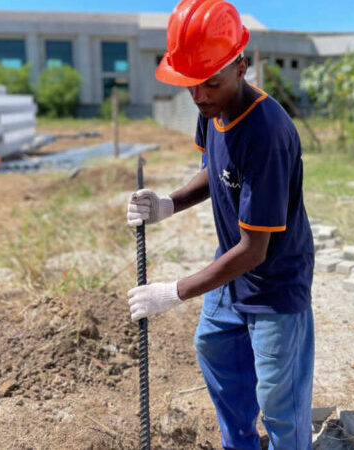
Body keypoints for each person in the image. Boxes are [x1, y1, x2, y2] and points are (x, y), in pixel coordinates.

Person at [126, 1, 315, 448]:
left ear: (241, 67)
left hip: (273, 280)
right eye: (192, 84)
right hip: (231, 269)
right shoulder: (210, 105)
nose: (200, 95)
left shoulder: (266, 134)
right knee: (214, 350)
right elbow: (216, 168)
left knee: (278, 398)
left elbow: (255, 251)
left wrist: (173, 292)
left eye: (210, 82)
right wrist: (169, 204)